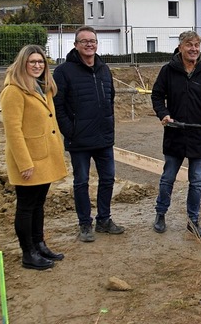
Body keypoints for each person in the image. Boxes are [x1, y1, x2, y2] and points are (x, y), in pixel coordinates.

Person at [151, 30, 201, 237]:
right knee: (168, 177)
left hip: (199, 133)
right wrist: (164, 114)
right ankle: (160, 213)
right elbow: (157, 96)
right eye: (189, 44)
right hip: (175, 132)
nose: (193, 48)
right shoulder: (168, 70)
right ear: (180, 47)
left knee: (196, 181)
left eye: (196, 44)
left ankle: (193, 219)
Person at [53, 26, 124, 242]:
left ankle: (104, 219)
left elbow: (109, 98)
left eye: (92, 40)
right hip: (79, 139)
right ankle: (85, 224)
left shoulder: (104, 69)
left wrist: (108, 124)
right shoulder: (64, 71)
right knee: (81, 182)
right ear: (76, 45)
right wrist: (70, 130)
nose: (89, 44)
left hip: (103, 138)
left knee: (108, 179)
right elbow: (58, 105)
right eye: (84, 41)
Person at [1, 45, 68, 270]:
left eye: (41, 62)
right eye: (33, 62)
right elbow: (13, 130)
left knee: (39, 203)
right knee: (27, 206)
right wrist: (24, 163)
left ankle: (39, 244)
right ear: (23, 64)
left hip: (45, 156)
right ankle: (28, 252)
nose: (37, 65)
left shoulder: (44, 88)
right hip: (30, 159)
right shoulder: (13, 91)